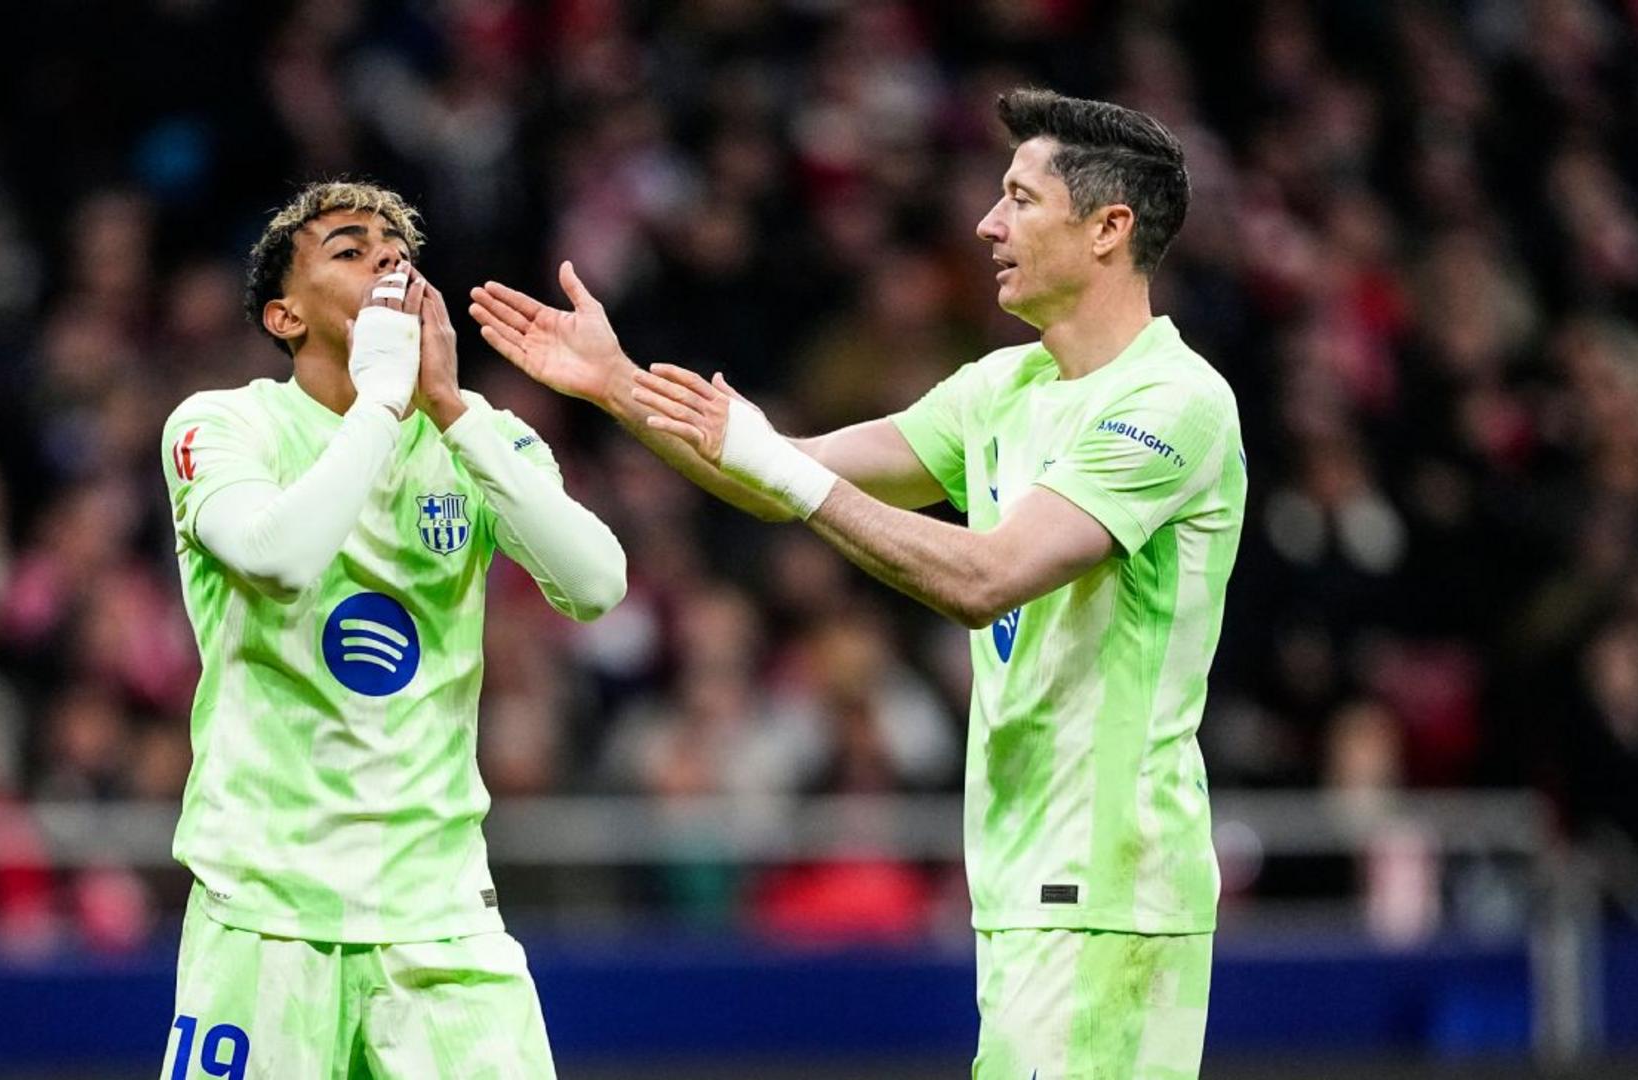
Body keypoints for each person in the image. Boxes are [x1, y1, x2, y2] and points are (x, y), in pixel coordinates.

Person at [472, 88, 1244, 1079]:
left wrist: (784, 472)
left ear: (1108, 228)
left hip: (1112, 885)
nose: (988, 224)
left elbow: (989, 576)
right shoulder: (1003, 388)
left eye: (1019, 199)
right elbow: (780, 470)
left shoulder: (1174, 403)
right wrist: (617, 384)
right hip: (1027, 881)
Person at [158, 180, 626, 1079]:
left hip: (441, 918)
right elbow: (277, 558)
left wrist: (449, 409)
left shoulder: (479, 435)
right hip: (265, 915)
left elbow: (596, 585)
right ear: (285, 316)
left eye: (396, 252)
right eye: (349, 249)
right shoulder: (225, 424)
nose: (385, 261)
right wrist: (378, 403)